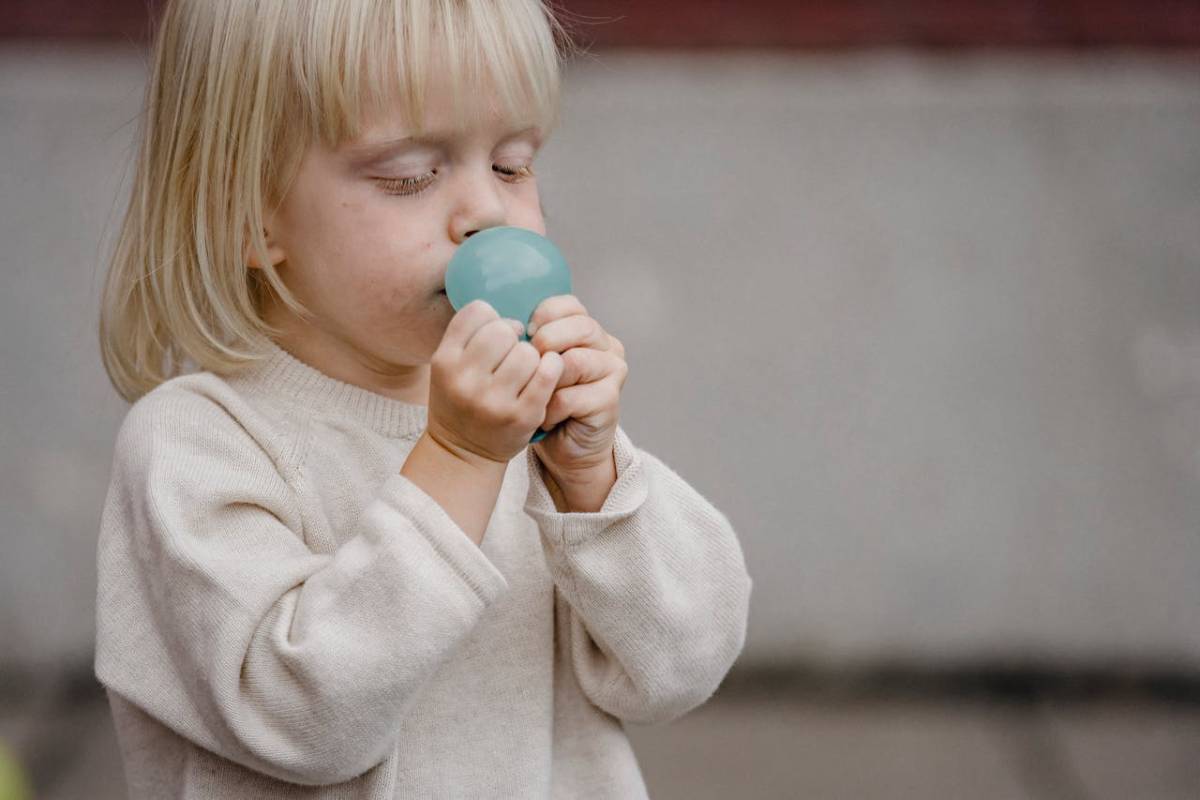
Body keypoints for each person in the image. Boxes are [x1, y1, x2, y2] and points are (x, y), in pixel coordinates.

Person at [93, 0, 753, 797]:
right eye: (411, 175)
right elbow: (300, 720)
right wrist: (457, 461)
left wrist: (597, 484)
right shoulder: (200, 445)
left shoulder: (530, 420)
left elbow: (682, 667)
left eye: (512, 165)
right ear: (246, 208)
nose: (486, 213)